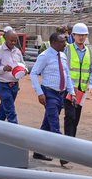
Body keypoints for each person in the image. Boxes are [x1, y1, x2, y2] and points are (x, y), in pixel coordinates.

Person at [29, 31, 72, 163]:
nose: (64, 44)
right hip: (49, 93)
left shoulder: (63, 56)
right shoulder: (45, 56)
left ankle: (37, 150)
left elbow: (67, 75)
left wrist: (72, 92)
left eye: (64, 41)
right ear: (53, 43)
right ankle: (63, 154)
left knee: (47, 124)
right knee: (54, 124)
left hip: (61, 94)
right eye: (61, 41)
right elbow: (34, 73)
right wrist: (40, 93)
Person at [63, 22, 92, 145]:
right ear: (74, 35)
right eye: (79, 35)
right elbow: (65, 69)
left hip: (81, 91)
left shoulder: (89, 51)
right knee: (70, 117)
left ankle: (71, 144)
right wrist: (70, 88)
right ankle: (67, 146)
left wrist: (91, 85)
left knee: (76, 119)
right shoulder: (68, 49)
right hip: (69, 90)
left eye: (84, 35)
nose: (81, 37)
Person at [0, 29, 25, 124]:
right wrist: (3, 68)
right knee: (10, 110)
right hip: (3, 85)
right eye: (11, 40)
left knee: (3, 111)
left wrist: (24, 70)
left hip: (15, 85)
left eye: (15, 41)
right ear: (5, 39)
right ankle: (14, 130)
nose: (13, 43)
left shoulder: (17, 52)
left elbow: (23, 64)